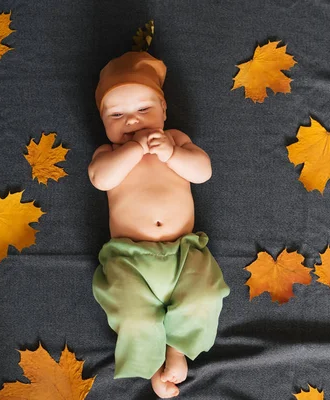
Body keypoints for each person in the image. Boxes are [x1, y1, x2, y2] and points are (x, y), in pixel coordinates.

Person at [88, 51, 230, 398]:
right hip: (129, 257)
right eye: (117, 114)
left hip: (185, 251)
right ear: (104, 122)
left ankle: (176, 349)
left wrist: (172, 153)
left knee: (205, 296)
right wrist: (134, 150)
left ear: (164, 112)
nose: (132, 122)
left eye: (144, 110)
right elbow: (100, 180)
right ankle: (155, 368)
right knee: (134, 316)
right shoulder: (108, 153)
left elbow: (203, 171)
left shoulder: (176, 140)